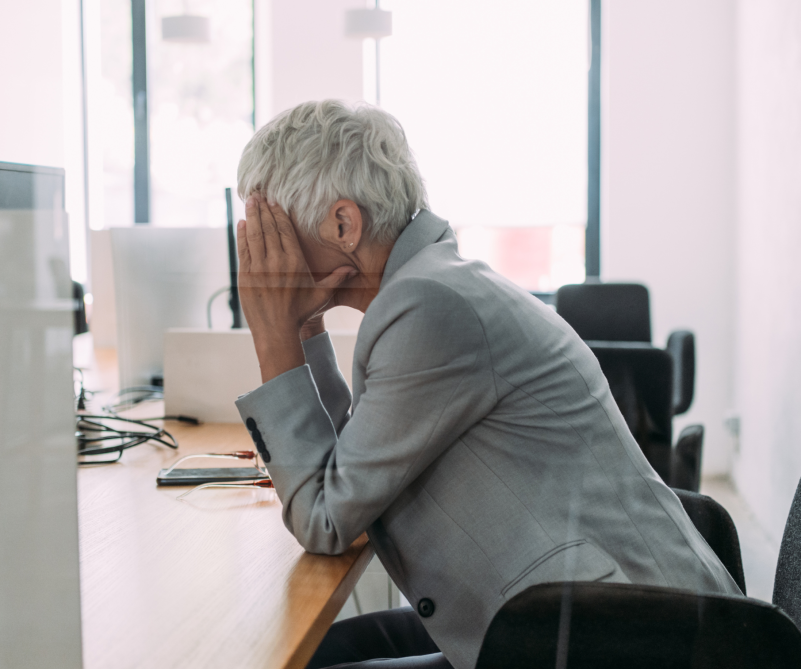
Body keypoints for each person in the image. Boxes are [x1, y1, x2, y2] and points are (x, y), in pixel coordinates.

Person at [233, 100, 740, 669]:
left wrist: (273, 334)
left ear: (344, 224)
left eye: (269, 231)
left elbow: (324, 518)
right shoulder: (431, 287)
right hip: (577, 617)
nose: (256, 256)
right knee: (323, 651)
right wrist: (302, 326)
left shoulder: (429, 307)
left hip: (622, 643)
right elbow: (344, 472)